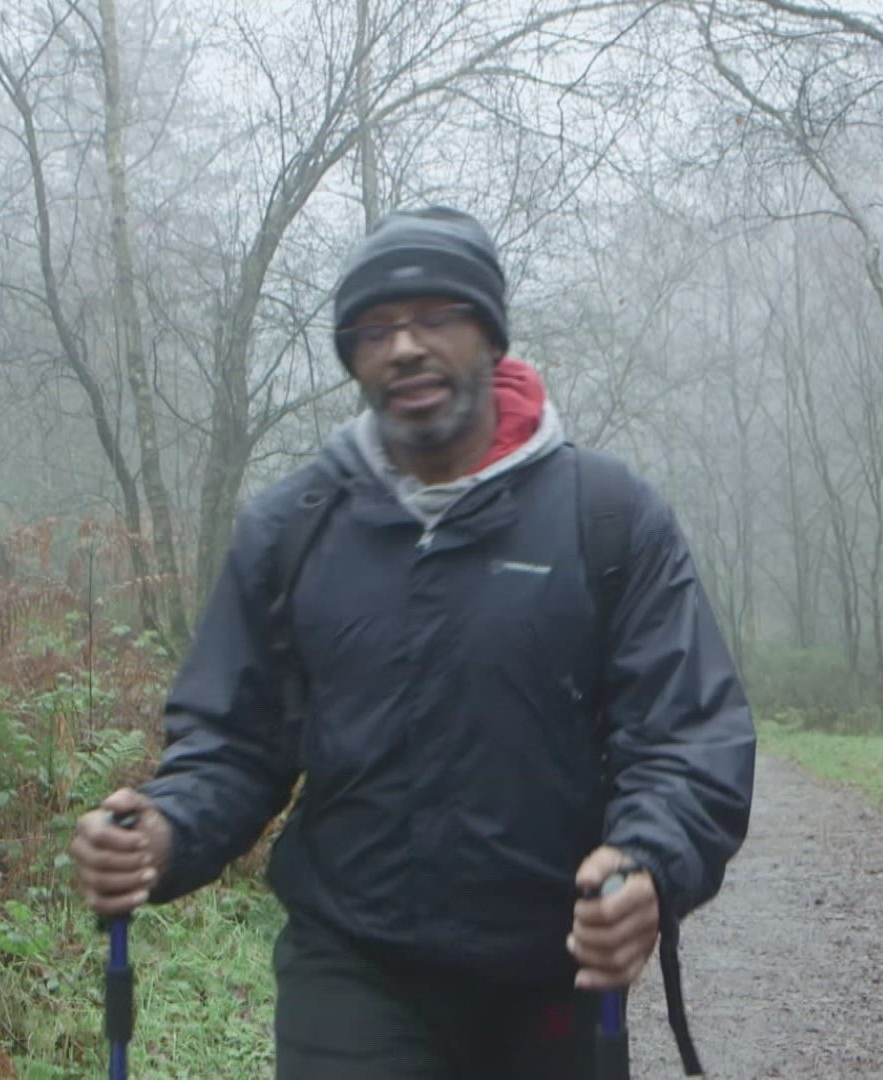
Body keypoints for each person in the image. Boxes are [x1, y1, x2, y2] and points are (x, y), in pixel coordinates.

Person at [67, 206, 756, 1079]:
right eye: (375, 328)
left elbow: (687, 735)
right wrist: (164, 830)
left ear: (490, 335)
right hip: (352, 967)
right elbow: (236, 743)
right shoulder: (293, 530)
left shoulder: (606, 518)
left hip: (552, 976)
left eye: (437, 317)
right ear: (352, 356)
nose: (403, 348)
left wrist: (649, 862)